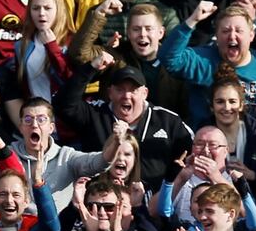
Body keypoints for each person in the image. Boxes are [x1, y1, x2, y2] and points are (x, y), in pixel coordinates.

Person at [53, 52, 193, 191]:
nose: (126, 95)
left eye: (133, 90)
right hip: (100, 198)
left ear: (145, 93)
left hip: (152, 200)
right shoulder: (95, 114)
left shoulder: (167, 120)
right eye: (120, 90)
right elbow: (62, 105)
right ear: (110, 93)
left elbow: (191, 150)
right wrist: (91, 68)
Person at [159, 2, 256, 128]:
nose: (232, 36)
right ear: (216, 36)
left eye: (239, 31)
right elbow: (168, 58)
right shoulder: (203, 59)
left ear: (251, 35)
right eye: (225, 31)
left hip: (251, 136)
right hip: (207, 136)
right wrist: (192, 21)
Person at [71, 1, 188, 117]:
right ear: (128, 33)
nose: (142, 34)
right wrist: (99, 14)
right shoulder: (116, 56)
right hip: (116, 126)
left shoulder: (178, 63)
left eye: (148, 29)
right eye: (136, 29)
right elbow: (79, 54)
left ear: (161, 32)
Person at [11, 97, 123, 212]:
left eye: (41, 119)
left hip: (58, 222)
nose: (34, 125)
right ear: (21, 127)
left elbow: (98, 163)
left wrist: (116, 143)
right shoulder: (8, 155)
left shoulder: (66, 157)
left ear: (51, 128)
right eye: (28, 119)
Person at [9, 0, 74, 124]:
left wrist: (52, 47)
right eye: (36, 8)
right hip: (36, 123)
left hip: (65, 122)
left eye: (47, 8)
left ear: (58, 10)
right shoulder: (22, 45)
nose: (41, 13)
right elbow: (21, 88)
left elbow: (70, 79)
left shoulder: (70, 41)